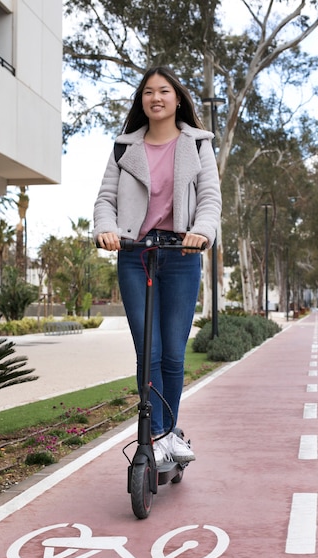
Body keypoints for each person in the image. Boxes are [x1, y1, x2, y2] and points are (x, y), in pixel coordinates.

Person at [93, 66, 221, 466]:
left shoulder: (198, 145)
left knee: (173, 355)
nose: (156, 98)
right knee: (148, 351)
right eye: (148, 92)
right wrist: (107, 229)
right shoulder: (124, 147)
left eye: (164, 91)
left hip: (182, 256)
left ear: (177, 98)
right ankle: (162, 435)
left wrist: (201, 232)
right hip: (135, 255)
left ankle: (166, 434)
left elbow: (210, 200)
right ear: (142, 101)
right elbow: (105, 200)